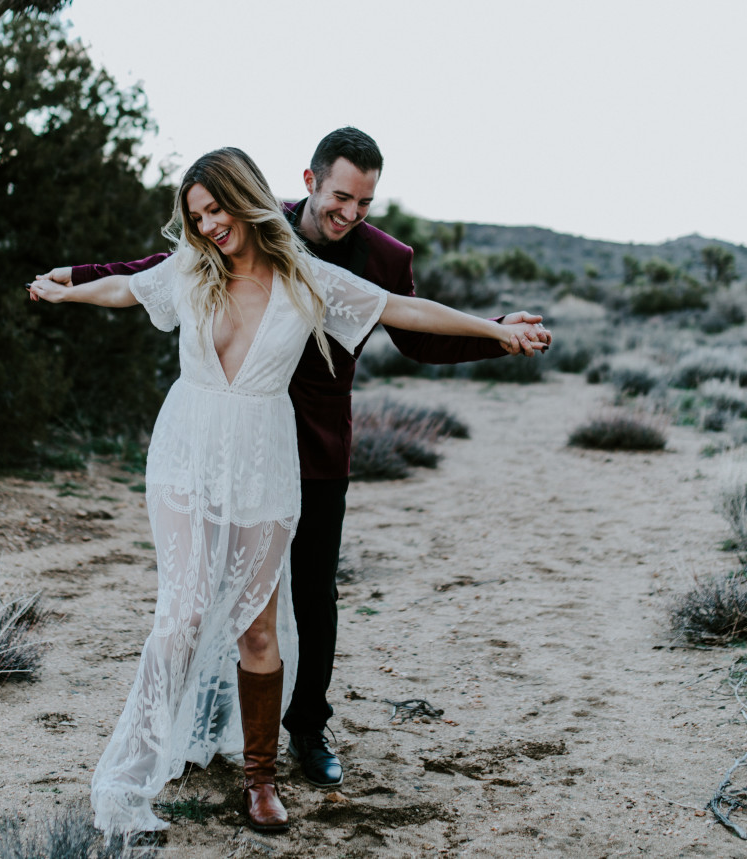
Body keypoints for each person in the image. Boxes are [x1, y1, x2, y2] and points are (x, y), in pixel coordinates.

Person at [27, 147, 546, 837]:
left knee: (260, 627)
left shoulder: (311, 278)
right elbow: (131, 283)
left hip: (268, 461)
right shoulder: (191, 267)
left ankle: (262, 778)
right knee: (180, 614)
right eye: (197, 215)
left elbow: (403, 308)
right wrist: (70, 289)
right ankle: (132, 773)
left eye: (217, 209)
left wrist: (496, 330)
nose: (209, 225)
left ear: (246, 198)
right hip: (187, 452)